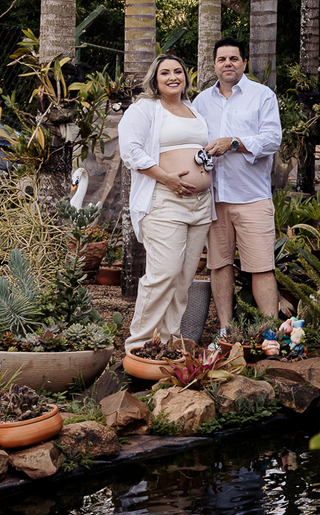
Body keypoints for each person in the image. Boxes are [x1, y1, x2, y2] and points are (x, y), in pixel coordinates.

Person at [119, 53, 214, 348]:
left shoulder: (193, 109)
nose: (173, 77)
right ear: (155, 80)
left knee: (184, 278)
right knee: (164, 274)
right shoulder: (146, 108)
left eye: (178, 71)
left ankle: (169, 340)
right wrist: (168, 178)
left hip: (200, 204)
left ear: (185, 77)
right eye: (165, 73)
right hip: (165, 200)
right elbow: (131, 151)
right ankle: (139, 343)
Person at [193, 37, 283, 334]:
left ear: (244, 63)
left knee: (260, 267)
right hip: (214, 197)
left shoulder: (262, 96)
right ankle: (225, 331)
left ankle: (269, 332)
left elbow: (272, 139)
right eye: (222, 59)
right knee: (219, 266)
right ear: (214, 65)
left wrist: (234, 142)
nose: (228, 64)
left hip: (251, 197)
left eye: (234, 58)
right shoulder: (201, 102)